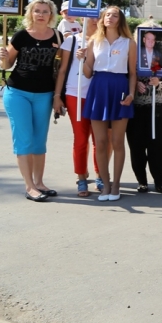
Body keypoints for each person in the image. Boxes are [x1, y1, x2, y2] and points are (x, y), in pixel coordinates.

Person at [0, 0, 62, 202]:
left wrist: (58, 97)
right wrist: (2, 57)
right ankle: (30, 187)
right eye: (37, 11)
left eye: (45, 11)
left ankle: (39, 182)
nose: (41, 15)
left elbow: (61, 68)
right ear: (31, 14)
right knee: (24, 140)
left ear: (51, 15)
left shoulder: (58, 37)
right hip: (18, 93)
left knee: (39, 141)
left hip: (44, 94)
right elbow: (6, 65)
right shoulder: (21, 36)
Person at [82, 6, 138, 202]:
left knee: (117, 141)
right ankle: (104, 184)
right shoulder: (93, 41)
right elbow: (88, 73)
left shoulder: (129, 43)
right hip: (98, 88)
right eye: (107, 15)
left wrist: (131, 93)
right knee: (100, 142)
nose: (110, 18)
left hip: (120, 88)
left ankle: (116, 185)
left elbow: (132, 73)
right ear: (102, 19)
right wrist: (83, 60)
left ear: (120, 19)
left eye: (115, 15)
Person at [54, 16, 99, 196]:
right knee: (80, 138)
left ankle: (101, 175)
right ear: (83, 19)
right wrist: (58, 96)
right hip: (75, 92)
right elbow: (62, 69)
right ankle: (81, 177)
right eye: (91, 17)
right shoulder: (72, 40)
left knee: (100, 140)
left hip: (98, 95)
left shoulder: (105, 41)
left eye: (98, 17)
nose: (95, 20)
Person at [127, 63, 162, 194]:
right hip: (137, 107)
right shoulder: (132, 58)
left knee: (157, 145)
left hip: (158, 107)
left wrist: (159, 83)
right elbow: (125, 79)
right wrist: (134, 85)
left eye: (152, 40)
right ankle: (141, 181)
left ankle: (159, 181)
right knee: (136, 146)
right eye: (146, 40)